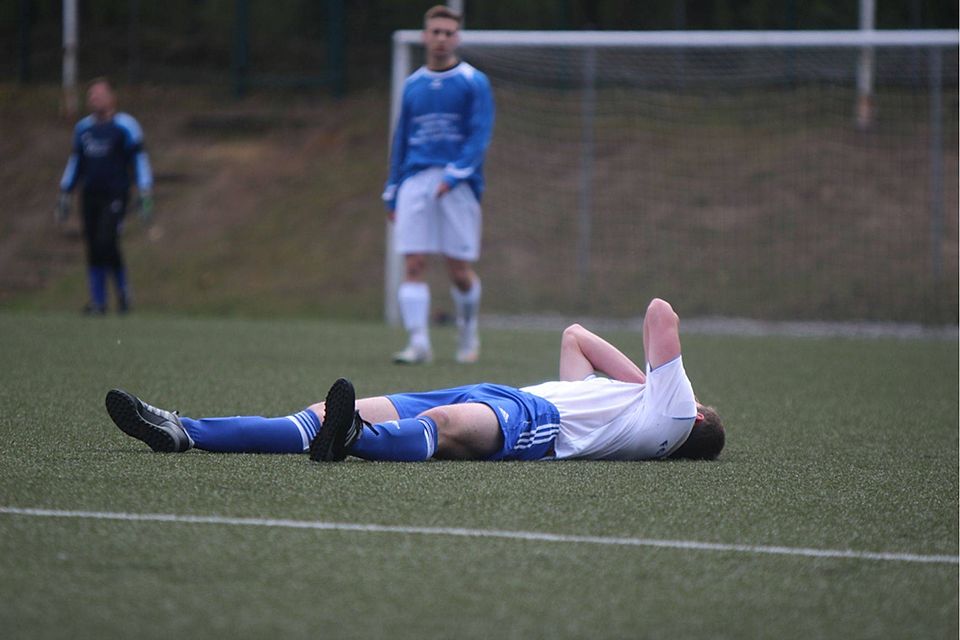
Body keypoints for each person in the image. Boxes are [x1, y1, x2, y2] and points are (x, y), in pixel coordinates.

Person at [105, 298, 725, 463]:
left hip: (538, 427)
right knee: (321, 411)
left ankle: (357, 442)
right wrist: (641, 387)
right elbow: (574, 338)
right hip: (516, 396)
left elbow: (659, 313)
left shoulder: (673, 415)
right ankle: (185, 430)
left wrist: (655, 385)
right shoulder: (645, 407)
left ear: (696, 413)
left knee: (445, 428)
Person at [382, 5, 495, 364]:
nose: (442, 38)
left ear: (456, 37)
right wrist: (392, 187)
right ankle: (419, 344)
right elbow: (402, 138)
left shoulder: (473, 81)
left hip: (458, 185)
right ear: (425, 36)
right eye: (436, 32)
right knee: (413, 264)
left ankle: (467, 331)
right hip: (415, 181)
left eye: (448, 32)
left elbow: (479, 134)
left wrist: (455, 174)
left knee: (458, 271)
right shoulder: (413, 85)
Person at [57, 77, 154, 315]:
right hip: (90, 196)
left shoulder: (126, 126)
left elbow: (139, 160)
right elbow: (75, 162)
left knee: (106, 241)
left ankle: (123, 294)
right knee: (93, 247)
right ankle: (98, 302)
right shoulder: (83, 129)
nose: (94, 99)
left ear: (111, 98)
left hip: (116, 194)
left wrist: (144, 191)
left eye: (99, 94)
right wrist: (65, 192)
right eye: (91, 95)